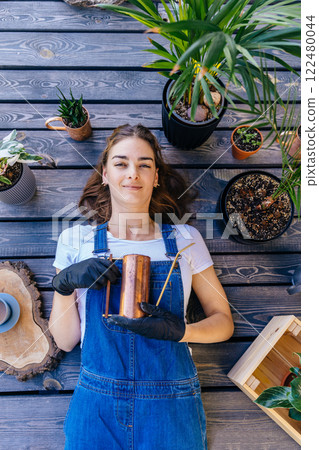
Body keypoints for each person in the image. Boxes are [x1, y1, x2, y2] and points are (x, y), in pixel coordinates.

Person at [49, 124, 234, 450]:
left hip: (170, 403)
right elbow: (65, 341)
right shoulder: (74, 240)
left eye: (144, 164)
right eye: (121, 163)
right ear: (105, 174)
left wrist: (181, 331)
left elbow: (223, 322)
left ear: (156, 177)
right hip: (97, 404)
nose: (132, 173)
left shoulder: (184, 239)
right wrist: (64, 286)